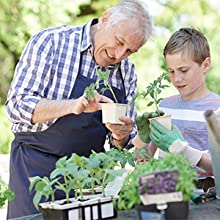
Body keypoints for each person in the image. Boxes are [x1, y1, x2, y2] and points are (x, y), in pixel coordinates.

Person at [5, 0, 153, 218]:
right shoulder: (51, 43)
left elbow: (121, 147)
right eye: (119, 42)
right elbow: (17, 106)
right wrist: (73, 106)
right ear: (104, 19)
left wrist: (121, 136)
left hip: (88, 180)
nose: (119, 55)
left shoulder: (127, 72)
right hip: (35, 172)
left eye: (130, 50)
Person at [134, 28, 220, 174]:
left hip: (204, 194)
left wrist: (181, 149)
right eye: (171, 71)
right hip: (165, 191)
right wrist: (142, 141)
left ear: (205, 65)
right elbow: (144, 162)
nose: (177, 79)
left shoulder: (216, 108)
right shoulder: (165, 107)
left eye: (184, 70)